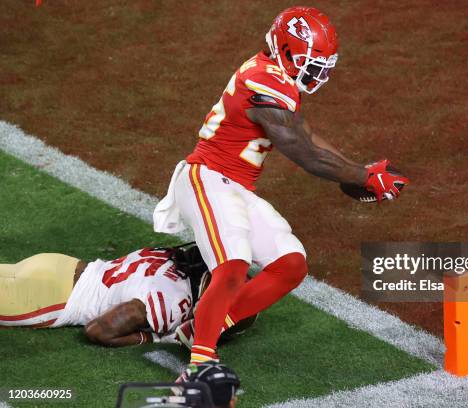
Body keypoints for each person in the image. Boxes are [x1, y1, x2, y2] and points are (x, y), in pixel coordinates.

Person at [153, 6, 408, 369]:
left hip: (235, 187)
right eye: (313, 62)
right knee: (233, 266)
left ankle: (201, 330)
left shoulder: (277, 77)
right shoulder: (264, 80)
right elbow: (305, 154)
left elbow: (308, 136)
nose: (318, 73)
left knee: (290, 264)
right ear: (288, 51)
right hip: (206, 178)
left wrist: (356, 171)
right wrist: (362, 178)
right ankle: (200, 365)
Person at [0, 243, 204, 347]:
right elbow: (97, 330)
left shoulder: (168, 254)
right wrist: (154, 338)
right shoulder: (174, 299)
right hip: (51, 297)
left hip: (60, 265)